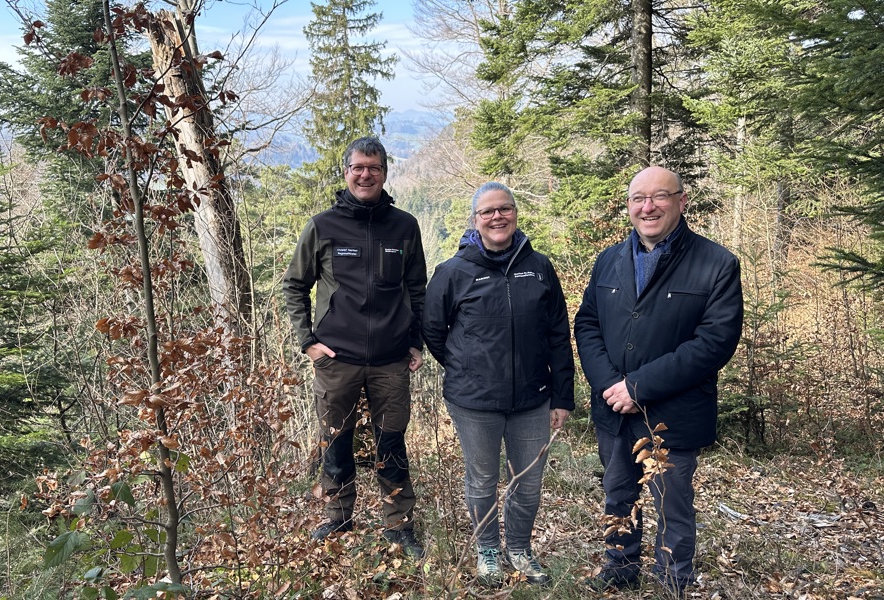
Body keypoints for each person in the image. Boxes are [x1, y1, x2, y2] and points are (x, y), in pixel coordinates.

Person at [574, 166, 744, 596]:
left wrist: (638, 387)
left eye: (659, 197)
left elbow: (714, 344)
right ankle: (620, 566)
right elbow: (587, 325)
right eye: (638, 199)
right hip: (614, 412)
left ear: (681, 201)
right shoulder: (609, 260)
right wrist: (611, 386)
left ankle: (673, 580)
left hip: (673, 415)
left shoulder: (716, 264)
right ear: (628, 206)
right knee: (617, 495)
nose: (647, 207)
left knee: (672, 505)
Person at [422, 182, 574, 586]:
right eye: (488, 211)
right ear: (475, 220)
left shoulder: (538, 266)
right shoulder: (453, 271)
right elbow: (433, 330)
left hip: (532, 399)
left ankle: (520, 548)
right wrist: (465, 368)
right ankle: (487, 549)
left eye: (505, 209)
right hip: (474, 403)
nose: (497, 217)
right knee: (483, 480)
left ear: (515, 214)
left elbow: (559, 333)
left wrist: (562, 396)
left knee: (529, 482)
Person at [282, 136, 427, 558]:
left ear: (385, 173)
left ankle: (398, 525)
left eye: (374, 168)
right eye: (358, 167)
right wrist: (308, 342)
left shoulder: (404, 226)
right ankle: (338, 516)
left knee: (392, 444)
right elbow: (295, 285)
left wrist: (416, 341)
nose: (366, 175)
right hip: (336, 360)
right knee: (336, 441)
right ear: (346, 172)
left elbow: (417, 287)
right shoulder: (323, 226)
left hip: (391, 361)